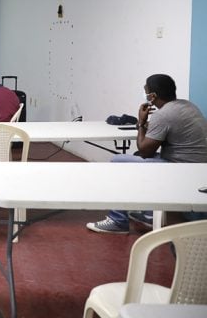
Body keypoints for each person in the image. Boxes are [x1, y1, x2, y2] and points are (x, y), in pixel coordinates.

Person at [87, 74, 207, 234]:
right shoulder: (188, 106)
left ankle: (117, 221)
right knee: (138, 158)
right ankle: (150, 214)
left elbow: (145, 150)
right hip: (197, 168)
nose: (144, 94)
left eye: (146, 91)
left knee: (118, 161)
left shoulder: (163, 114)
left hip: (181, 170)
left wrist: (141, 123)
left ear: (152, 96)